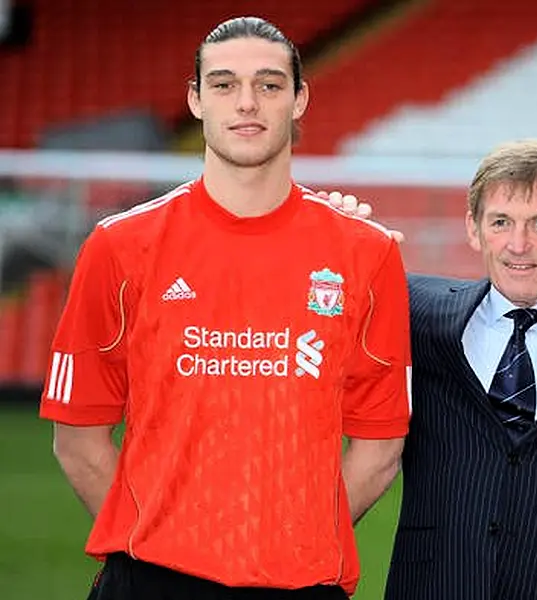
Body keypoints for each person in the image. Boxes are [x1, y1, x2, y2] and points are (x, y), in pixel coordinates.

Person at [39, 17, 411, 600]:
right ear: (195, 99)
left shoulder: (367, 253)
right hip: (150, 580)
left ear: (299, 99)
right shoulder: (119, 246)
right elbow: (77, 439)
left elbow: (380, 448)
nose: (246, 103)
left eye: (268, 85)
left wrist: (296, 536)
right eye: (222, 84)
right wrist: (161, 540)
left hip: (301, 580)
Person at [347, 139, 537, 600]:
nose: (519, 244)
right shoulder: (413, 312)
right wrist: (333, 241)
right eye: (500, 222)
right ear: (473, 229)